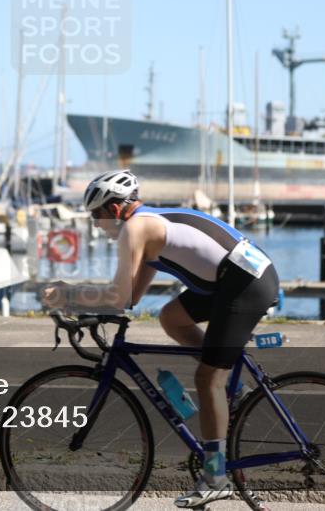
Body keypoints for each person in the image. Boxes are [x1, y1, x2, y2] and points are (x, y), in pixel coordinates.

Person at [44, 169, 279, 508]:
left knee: (207, 378)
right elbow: (128, 298)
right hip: (236, 277)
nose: (95, 223)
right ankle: (237, 391)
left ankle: (215, 477)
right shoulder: (149, 224)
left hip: (245, 284)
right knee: (171, 317)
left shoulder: (136, 229)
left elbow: (115, 295)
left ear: (113, 209)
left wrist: (68, 295)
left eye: (96, 215)